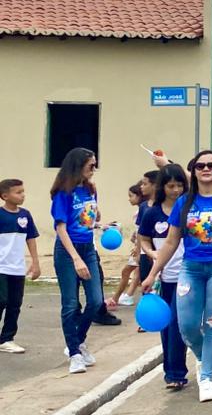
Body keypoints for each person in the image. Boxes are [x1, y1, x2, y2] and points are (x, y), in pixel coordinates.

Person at [141, 150, 212, 402]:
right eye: (200, 165)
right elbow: (170, 242)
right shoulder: (184, 203)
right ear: (193, 171)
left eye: (211, 165)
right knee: (187, 326)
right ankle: (205, 358)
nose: (206, 169)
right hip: (191, 269)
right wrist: (152, 274)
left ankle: (206, 378)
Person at [50, 148, 106, 374]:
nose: (94, 169)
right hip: (67, 250)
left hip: (87, 248)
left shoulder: (91, 189)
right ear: (78, 165)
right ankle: (74, 353)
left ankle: (78, 341)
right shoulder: (63, 193)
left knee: (96, 300)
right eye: (90, 165)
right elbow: (61, 228)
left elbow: (88, 219)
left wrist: (99, 222)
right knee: (71, 303)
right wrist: (75, 259)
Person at [137, 164, 190, 390]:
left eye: (179, 185)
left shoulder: (189, 211)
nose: (176, 190)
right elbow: (143, 238)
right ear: (162, 187)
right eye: (171, 186)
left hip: (188, 276)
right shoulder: (152, 213)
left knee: (179, 324)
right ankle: (171, 372)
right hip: (164, 277)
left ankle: (177, 372)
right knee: (167, 326)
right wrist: (151, 254)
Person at [0, 179, 39, 354]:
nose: (22, 195)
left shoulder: (25, 215)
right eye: (18, 192)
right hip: (1, 267)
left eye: (23, 191)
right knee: (1, 300)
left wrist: (35, 262)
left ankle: (6, 339)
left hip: (17, 268)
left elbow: (31, 238)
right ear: (5, 196)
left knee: (15, 304)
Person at [112, 181, 146, 310]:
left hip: (141, 247)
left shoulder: (143, 209)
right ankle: (128, 296)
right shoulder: (141, 209)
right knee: (137, 272)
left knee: (127, 271)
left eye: (131, 196)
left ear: (139, 196)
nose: (129, 199)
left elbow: (143, 230)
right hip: (140, 245)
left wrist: (138, 247)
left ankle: (116, 298)